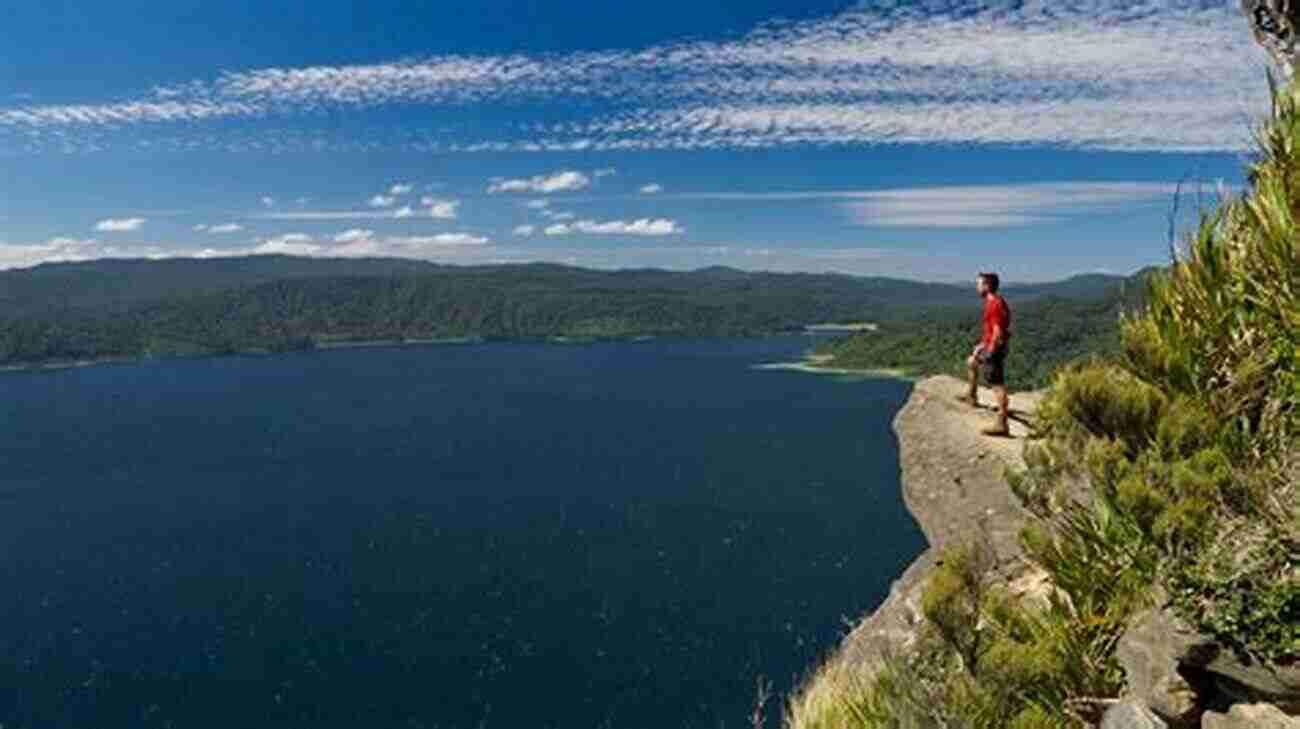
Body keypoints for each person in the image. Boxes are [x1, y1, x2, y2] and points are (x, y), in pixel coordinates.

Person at [956, 272, 1012, 436]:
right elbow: (992, 331)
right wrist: (981, 345)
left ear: (987, 286)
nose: (977, 287)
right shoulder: (992, 302)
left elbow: (998, 331)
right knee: (971, 362)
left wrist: (990, 350)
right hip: (990, 345)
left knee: (996, 384)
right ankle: (971, 396)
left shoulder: (994, 305)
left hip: (994, 348)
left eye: (979, 284)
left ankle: (1002, 423)